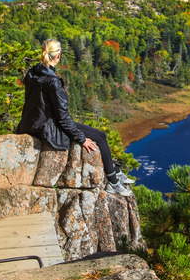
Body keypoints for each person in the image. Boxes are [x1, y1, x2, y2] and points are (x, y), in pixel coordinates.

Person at [16, 38, 135, 196]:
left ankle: (114, 171)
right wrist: (81, 138)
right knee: (100, 137)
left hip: (31, 123)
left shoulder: (32, 74)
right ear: (58, 56)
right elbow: (63, 118)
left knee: (97, 135)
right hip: (48, 126)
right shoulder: (53, 82)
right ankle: (113, 182)